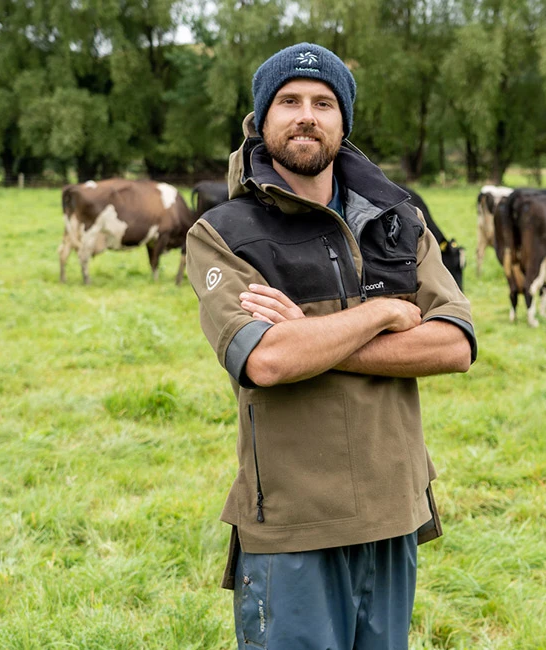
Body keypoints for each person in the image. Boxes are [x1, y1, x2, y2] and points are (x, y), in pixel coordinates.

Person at [185, 43, 477, 649]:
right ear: (262, 120)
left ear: (343, 122)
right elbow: (266, 359)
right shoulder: (224, 234)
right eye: (289, 101)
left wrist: (315, 334)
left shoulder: (399, 220)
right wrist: (386, 314)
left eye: (323, 103)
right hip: (294, 524)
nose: (306, 115)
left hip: (394, 514)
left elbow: (453, 344)